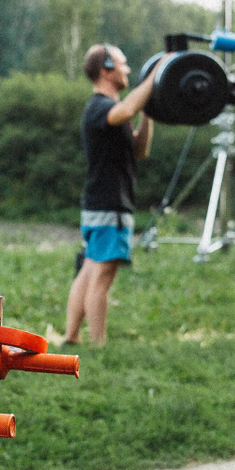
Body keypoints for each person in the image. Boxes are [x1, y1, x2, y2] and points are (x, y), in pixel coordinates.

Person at [62, 43, 156, 346]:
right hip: (109, 206)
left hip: (102, 204)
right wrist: (155, 76)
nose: (128, 69)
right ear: (106, 69)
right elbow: (126, 109)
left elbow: (140, 150)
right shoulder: (100, 107)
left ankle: (72, 336)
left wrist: (148, 111)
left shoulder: (111, 112)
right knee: (103, 274)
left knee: (90, 269)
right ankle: (98, 344)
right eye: (122, 63)